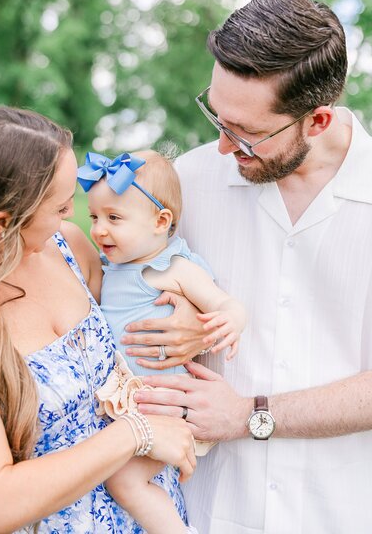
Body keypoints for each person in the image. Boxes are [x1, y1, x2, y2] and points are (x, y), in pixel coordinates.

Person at [124, 0, 372, 534]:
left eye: (247, 134)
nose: (220, 146)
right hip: (205, 513)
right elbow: (116, 290)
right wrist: (176, 312)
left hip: (341, 514)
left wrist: (249, 414)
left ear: (318, 120)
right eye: (216, 116)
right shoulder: (183, 184)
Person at [0, 106, 196, 534]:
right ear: (2, 223)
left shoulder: (70, 249)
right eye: (59, 208)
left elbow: (135, 296)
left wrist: (183, 314)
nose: (72, 219)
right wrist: (135, 432)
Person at [76, 147, 246, 534]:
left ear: (160, 220)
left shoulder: (173, 267)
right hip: (128, 404)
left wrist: (231, 321)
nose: (99, 229)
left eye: (114, 218)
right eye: (95, 217)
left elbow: (224, 303)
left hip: (163, 408)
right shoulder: (112, 268)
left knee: (125, 480)